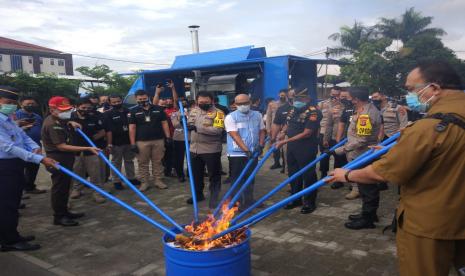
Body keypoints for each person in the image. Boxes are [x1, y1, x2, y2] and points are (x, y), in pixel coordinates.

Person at [328, 60, 465, 276]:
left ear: (434, 88)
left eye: (411, 89)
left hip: (430, 222)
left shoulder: (428, 126)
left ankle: (368, 215)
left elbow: (379, 163)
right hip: (455, 214)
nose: (409, 95)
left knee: (369, 191)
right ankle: (366, 213)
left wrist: (345, 169)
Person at [0, 86, 57, 251]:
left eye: (13, 103)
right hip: (4, 167)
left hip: (15, 164)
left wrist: (34, 147)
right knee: (7, 205)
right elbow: (7, 146)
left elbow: (22, 136)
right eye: (7, 102)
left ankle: (11, 234)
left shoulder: (8, 118)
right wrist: (40, 158)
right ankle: (9, 241)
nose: (11, 105)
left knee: (14, 202)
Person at [42, 96, 100, 226]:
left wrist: (70, 123)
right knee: (60, 188)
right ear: (52, 110)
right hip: (57, 159)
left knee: (65, 186)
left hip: (66, 158)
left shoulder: (59, 120)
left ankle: (64, 212)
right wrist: (88, 148)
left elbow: (64, 122)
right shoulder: (52, 124)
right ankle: (59, 216)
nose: (66, 112)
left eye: (67, 109)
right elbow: (61, 146)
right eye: (62, 110)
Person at [333, 87, 382, 229]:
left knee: (368, 186)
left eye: (349, 97)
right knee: (364, 186)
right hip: (358, 153)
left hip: (363, 154)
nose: (347, 100)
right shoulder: (362, 109)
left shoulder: (366, 113)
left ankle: (368, 219)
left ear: (356, 99)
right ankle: (368, 213)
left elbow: (362, 139)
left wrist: (339, 151)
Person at [274, 90, 322, 214]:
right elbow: (287, 123)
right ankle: (296, 199)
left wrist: (284, 141)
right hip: (292, 147)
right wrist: (282, 133)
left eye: (299, 99)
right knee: (293, 174)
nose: (296, 102)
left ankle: (309, 202)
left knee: (308, 175)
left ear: (307, 99)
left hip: (306, 148)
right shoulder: (293, 109)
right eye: (295, 99)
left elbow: (307, 133)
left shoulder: (314, 112)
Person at [224, 94, 265, 208]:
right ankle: (236, 203)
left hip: (254, 152)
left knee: (250, 178)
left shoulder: (257, 115)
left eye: (245, 103)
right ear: (235, 104)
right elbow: (234, 135)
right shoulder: (231, 117)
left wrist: (261, 145)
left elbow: (262, 130)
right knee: (237, 179)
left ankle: (248, 200)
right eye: (240, 104)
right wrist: (246, 151)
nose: (243, 105)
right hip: (237, 154)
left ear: (250, 102)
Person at [186, 91, 225, 209]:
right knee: (196, 174)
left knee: (214, 175)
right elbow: (187, 124)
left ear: (212, 101)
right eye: (200, 102)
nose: (203, 104)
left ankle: (214, 197)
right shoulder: (193, 111)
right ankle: (198, 195)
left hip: (211, 149)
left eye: (206, 102)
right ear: (197, 101)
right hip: (194, 149)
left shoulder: (219, 113)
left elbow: (218, 130)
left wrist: (198, 128)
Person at [129, 90, 171, 192]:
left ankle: (158, 180)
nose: (142, 100)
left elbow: (164, 123)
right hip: (141, 141)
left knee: (158, 161)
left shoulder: (158, 109)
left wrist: (168, 137)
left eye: (144, 98)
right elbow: (132, 128)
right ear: (136, 99)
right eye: (140, 99)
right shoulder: (133, 111)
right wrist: (133, 143)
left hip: (158, 139)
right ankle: (144, 182)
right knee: (143, 162)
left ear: (148, 97)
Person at [68, 98, 106, 203]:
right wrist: (71, 122)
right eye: (83, 107)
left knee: (95, 173)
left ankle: (97, 192)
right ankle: (77, 189)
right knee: (77, 171)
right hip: (75, 150)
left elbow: (102, 131)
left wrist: (93, 139)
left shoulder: (93, 118)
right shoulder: (69, 117)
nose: (86, 109)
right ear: (77, 106)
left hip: (91, 150)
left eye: (89, 108)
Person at [103, 95, 139, 190]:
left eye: (118, 101)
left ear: (121, 100)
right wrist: (109, 143)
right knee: (116, 162)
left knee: (129, 160)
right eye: (114, 102)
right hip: (116, 143)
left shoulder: (128, 111)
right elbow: (108, 130)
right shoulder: (107, 114)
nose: (116, 103)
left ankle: (131, 178)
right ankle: (116, 181)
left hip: (128, 140)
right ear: (110, 103)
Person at [15, 96, 46, 194]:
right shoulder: (15, 115)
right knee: (19, 170)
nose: (30, 106)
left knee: (33, 168)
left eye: (32, 104)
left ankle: (30, 187)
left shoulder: (37, 117)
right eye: (28, 104)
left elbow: (41, 130)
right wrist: (22, 127)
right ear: (21, 104)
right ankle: (18, 191)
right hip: (20, 147)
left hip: (35, 146)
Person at [319, 87, 345, 186]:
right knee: (324, 155)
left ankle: (337, 177)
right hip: (323, 132)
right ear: (330, 93)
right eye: (333, 94)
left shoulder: (344, 106)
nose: (335, 97)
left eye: (337, 95)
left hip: (338, 135)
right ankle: (323, 173)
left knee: (338, 156)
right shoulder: (322, 104)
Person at [153, 81, 178, 178]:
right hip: (161, 137)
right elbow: (155, 104)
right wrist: (157, 93)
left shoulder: (174, 109)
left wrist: (172, 88)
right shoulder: (158, 111)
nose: (167, 102)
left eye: (169, 101)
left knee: (173, 155)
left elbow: (175, 100)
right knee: (162, 156)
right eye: (165, 101)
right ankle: (165, 170)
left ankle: (172, 170)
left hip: (174, 136)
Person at [270, 89, 291, 172]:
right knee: (283, 153)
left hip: (300, 137)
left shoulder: (307, 108)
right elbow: (273, 121)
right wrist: (273, 136)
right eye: (281, 95)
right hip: (282, 134)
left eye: (284, 95)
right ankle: (281, 166)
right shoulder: (278, 107)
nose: (282, 97)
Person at [170, 98, 189, 183]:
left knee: (191, 157)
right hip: (179, 138)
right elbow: (175, 125)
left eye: (185, 103)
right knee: (179, 158)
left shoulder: (192, 113)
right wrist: (182, 119)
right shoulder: (174, 114)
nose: (184, 105)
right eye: (182, 103)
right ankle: (180, 174)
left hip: (191, 137)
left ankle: (190, 172)